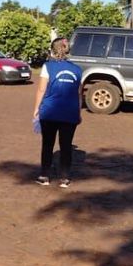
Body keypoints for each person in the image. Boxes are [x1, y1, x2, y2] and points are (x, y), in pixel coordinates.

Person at [33, 37, 83, 188]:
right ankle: (65, 178)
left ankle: (44, 175)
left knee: (47, 144)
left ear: (53, 50)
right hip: (70, 113)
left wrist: (36, 109)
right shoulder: (78, 69)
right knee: (66, 145)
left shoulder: (47, 66)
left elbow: (41, 89)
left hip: (49, 111)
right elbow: (79, 93)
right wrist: (79, 113)